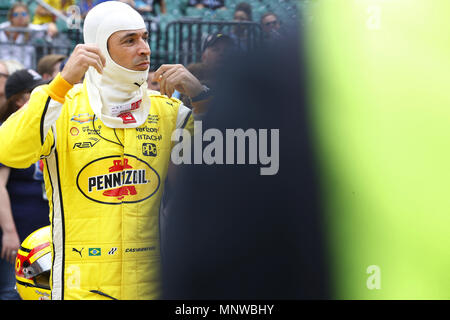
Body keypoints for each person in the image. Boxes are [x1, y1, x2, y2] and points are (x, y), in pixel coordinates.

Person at [0, 1, 207, 300]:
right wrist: (60, 84)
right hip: (80, 291)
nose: (145, 49)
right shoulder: (61, 105)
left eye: (145, 38)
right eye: (130, 40)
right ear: (99, 49)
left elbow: (233, 171)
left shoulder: (167, 111)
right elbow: (9, 150)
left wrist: (203, 100)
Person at [0, 69, 49, 300]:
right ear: (19, 99)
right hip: (19, 233)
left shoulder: (47, 126)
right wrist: (9, 232)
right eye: (35, 91)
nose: (43, 93)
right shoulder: (8, 132)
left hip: (46, 233)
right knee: (13, 292)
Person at [0, 3, 58, 69]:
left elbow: (44, 28)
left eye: (23, 14)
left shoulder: (30, 29)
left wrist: (51, 25)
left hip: (23, 68)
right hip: (3, 67)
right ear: (11, 17)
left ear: (28, 16)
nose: (20, 17)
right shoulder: (2, 28)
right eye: (16, 14)